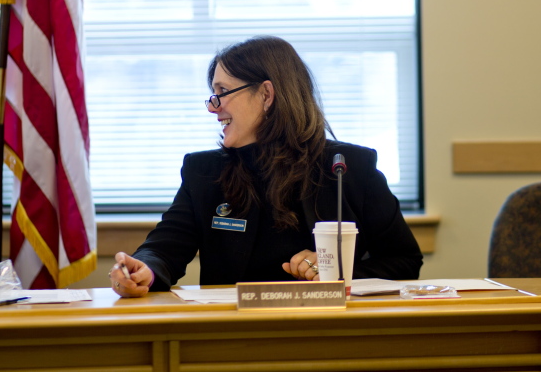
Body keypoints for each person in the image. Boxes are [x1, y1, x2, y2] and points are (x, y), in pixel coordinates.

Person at [110, 36, 422, 296]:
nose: (213, 108)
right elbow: (165, 248)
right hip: (234, 334)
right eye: (212, 95)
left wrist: (335, 270)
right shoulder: (204, 171)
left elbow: (404, 260)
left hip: (330, 329)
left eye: (222, 93)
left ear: (266, 94)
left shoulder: (346, 167)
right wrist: (143, 270)